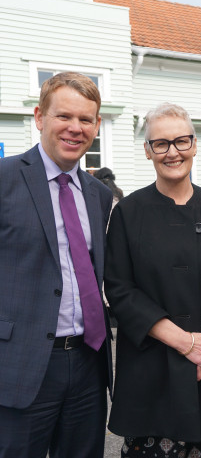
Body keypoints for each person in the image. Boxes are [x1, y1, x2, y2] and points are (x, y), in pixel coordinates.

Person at [104, 103, 201, 458]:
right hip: (154, 370)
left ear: (194, 144)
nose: (172, 152)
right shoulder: (128, 214)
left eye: (181, 141)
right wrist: (183, 343)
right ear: (147, 151)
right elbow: (119, 289)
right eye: (161, 144)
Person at [0, 72, 113, 457]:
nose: (75, 128)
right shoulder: (5, 179)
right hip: (21, 366)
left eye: (86, 120)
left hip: (87, 361)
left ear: (97, 125)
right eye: (64, 116)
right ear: (39, 117)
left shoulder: (98, 194)